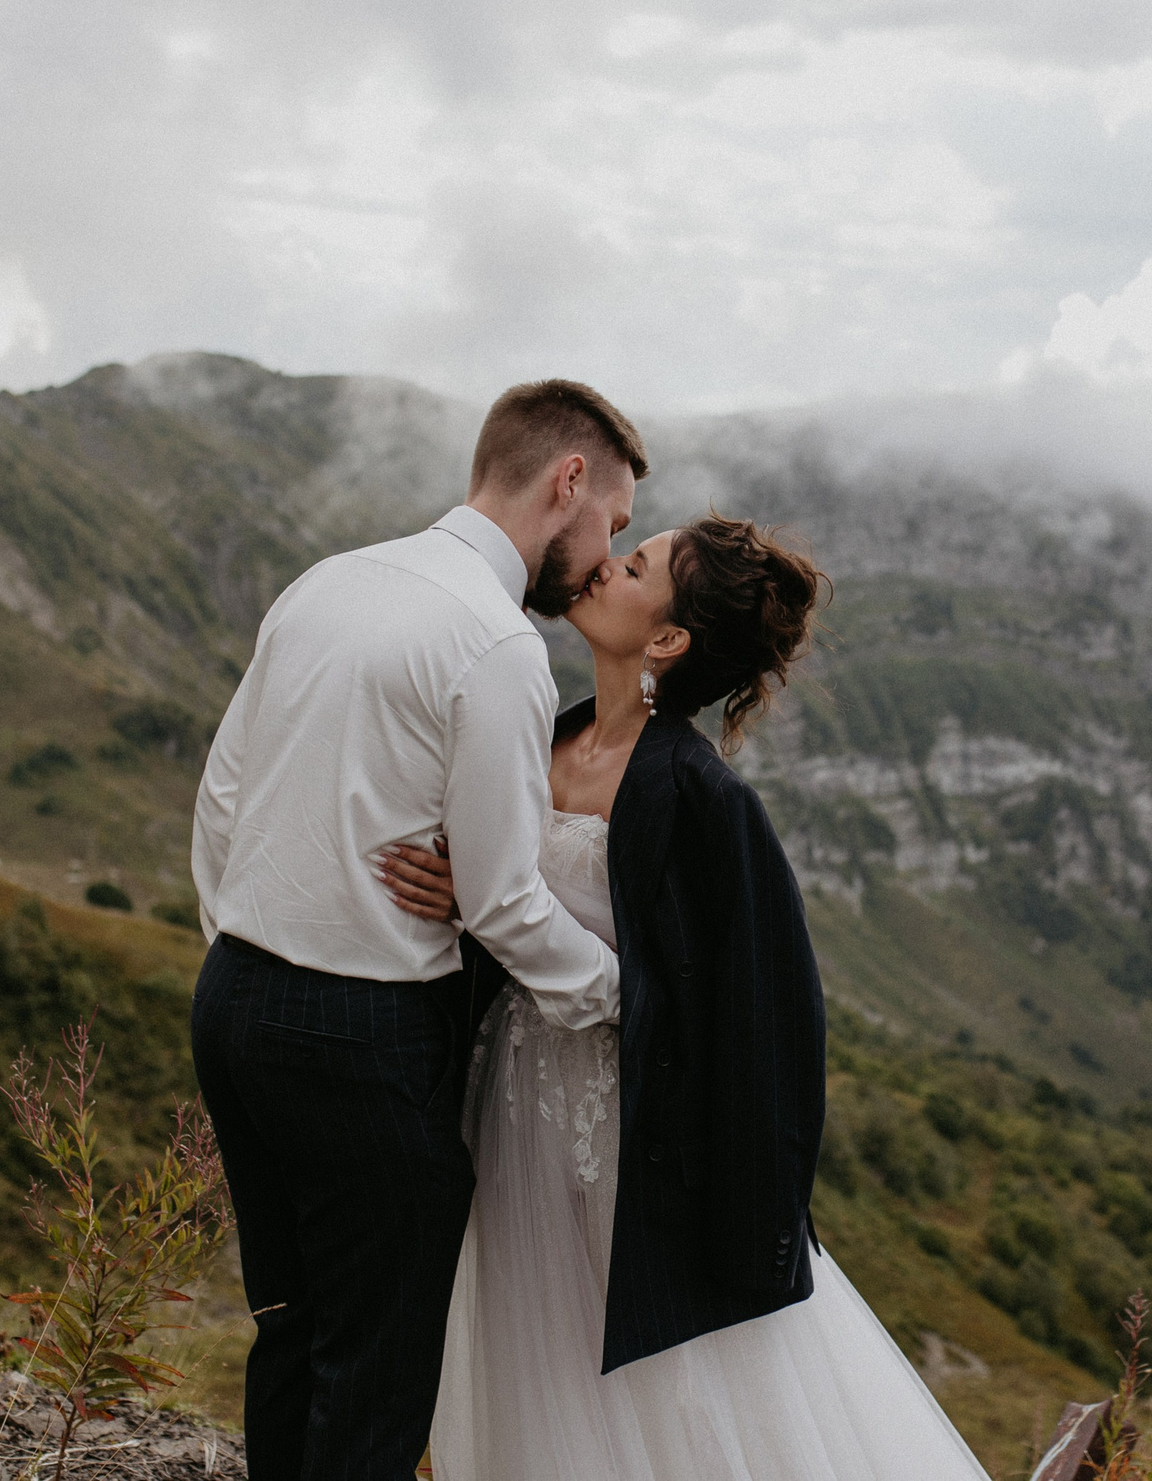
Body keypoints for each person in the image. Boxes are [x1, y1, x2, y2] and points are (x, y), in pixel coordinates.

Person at [377, 513, 992, 1480]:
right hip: (506, 1106)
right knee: (534, 1361)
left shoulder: (706, 797)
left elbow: (759, 1007)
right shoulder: (547, 732)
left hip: (632, 1131)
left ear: (667, 640)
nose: (604, 566)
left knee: (656, 1388)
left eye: (636, 565)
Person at [188, 380, 648, 1481]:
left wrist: (249, 940)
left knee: (292, 1328)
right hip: (368, 1036)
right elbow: (501, 904)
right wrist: (627, 991)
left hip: (234, 1007)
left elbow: (220, 800)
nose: (602, 557)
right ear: (566, 482)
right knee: (379, 1370)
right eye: (614, 527)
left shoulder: (327, 583)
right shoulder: (493, 644)